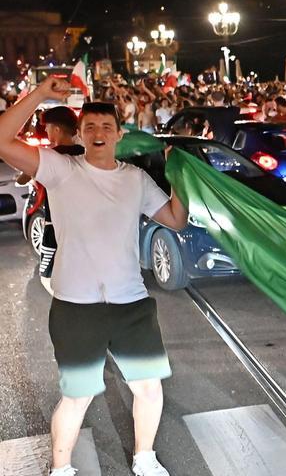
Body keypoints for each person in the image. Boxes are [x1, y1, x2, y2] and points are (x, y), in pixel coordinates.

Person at [0, 79, 189, 476]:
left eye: (107, 127)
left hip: (131, 304)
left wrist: (181, 175)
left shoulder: (135, 178)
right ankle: (62, 468)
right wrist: (38, 95)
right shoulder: (59, 168)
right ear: (80, 134)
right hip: (76, 306)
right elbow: (2, 140)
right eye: (90, 127)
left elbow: (174, 219)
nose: (98, 133)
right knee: (78, 396)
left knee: (149, 387)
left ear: (120, 134)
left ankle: (145, 459)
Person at [18, 106, 85, 284]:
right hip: (84, 226)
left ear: (56, 129)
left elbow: (23, 178)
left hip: (57, 228)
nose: (45, 130)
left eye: (47, 126)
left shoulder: (48, 156)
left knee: (52, 281)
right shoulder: (86, 154)